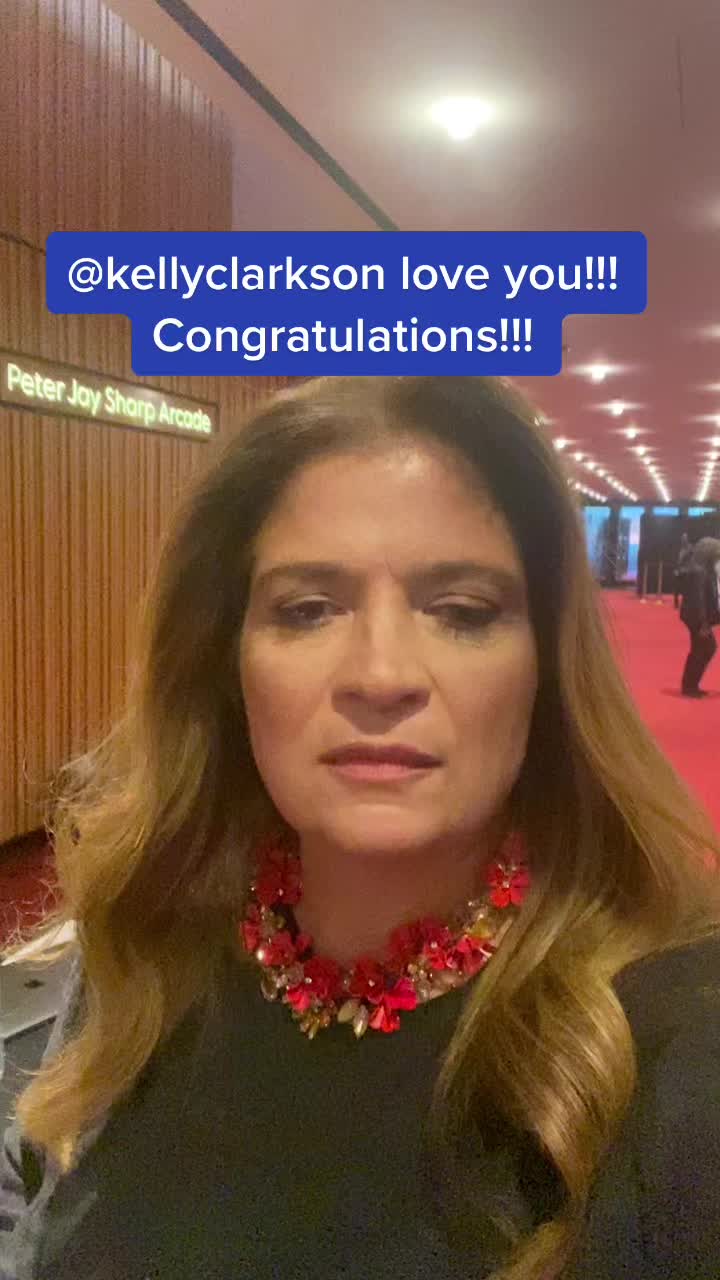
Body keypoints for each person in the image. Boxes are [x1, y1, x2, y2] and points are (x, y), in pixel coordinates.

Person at [1, 376, 720, 1280]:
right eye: (308, 610)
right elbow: (39, 1191)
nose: (382, 675)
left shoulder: (681, 1036)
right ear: (227, 662)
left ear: (546, 665)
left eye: (462, 612)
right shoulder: (153, 934)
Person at [679, 536, 720, 698]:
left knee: (701, 649)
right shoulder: (699, 572)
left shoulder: (700, 569)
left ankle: (690, 685)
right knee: (706, 648)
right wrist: (703, 623)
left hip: (694, 615)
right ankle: (689, 686)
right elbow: (698, 599)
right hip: (696, 617)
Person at [672, 530, 693, 608]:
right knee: (676, 588)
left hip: (686, 571)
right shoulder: (680, 549)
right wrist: (676, 570)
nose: (683, 539)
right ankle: (676, 603)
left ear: (687, 539)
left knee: (686, 588)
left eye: (685, 538)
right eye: (682, 538)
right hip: (679, 570)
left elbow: (691, 560)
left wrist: (687, 570)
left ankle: (686, 603)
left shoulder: (690, 548)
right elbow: (678, 560)